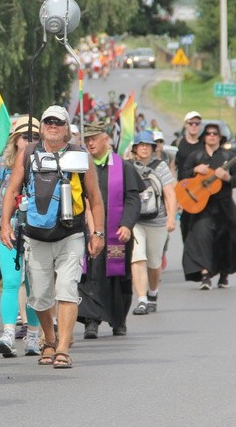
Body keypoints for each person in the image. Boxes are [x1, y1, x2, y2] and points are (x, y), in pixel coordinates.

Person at [0, 105, 105, 369]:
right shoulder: (28, 153)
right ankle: (49, 339)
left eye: (58, 122)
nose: (52, 126)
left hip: (71, 235)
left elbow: (95, 198)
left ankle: (62, 348)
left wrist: (98, 233)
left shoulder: (80, 156)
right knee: (40, 297)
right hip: (35, 235)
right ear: (42, 126)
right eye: (48, 121)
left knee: (67, 289)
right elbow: (12, 190)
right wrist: (4, 225)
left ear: (67, 127)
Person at [78, 121, 142, 337]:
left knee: (118, 277)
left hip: (117, 232)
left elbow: (133, 198)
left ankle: (118, 320)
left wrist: (127, 224)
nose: (90, 143)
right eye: (87, 139)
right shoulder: (81, 167)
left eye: (94, 138)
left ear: (106, 139)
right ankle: (91, 321)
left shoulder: (123, 167)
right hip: (89, 230)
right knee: (90, 275)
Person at [0, 116, 42, 357]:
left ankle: (33, 335)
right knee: (12, 282)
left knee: (34, 284)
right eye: (25, 136)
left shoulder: (45, 162)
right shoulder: (1, 166)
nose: (30, 141)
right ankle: (9, 332)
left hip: (37, 232)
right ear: (15, 140)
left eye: (35, 137)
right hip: (8, 229)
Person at [181, 122, 236, 289]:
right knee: (201, 237)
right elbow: (182, 177)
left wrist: (228, 178)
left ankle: (224, 275)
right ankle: (205, 275)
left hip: (224, 205)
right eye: (209, 133)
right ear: (204, 137)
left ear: (220, 137)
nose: (212, 136)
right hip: (202, 206)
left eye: (215, 134)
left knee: (226, 240)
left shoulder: (228, 156)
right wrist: (195, 169)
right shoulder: (196, 156)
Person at [129, 131, 177, 313]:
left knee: (154, 262)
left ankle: (153, 292)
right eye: (140, 144)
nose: (144, 148)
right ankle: (141, 299)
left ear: (152, 148)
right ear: (135, 148)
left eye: (147, 145)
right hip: (136, 221)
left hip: (158, 221)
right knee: (137, 257)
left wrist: (171, 218)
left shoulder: (161, 166)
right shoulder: (129, 166)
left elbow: (170, 193)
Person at [173, 111, 204, 242]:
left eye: (197, 123)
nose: (194, 126)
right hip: (183, 191)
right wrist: (175, 197)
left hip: (201, 191)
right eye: (191, 123)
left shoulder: (204, 145)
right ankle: (189, 258)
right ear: (186, 124)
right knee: (185, 228)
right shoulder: (178, 143)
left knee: (201, 228)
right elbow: (171, 168)